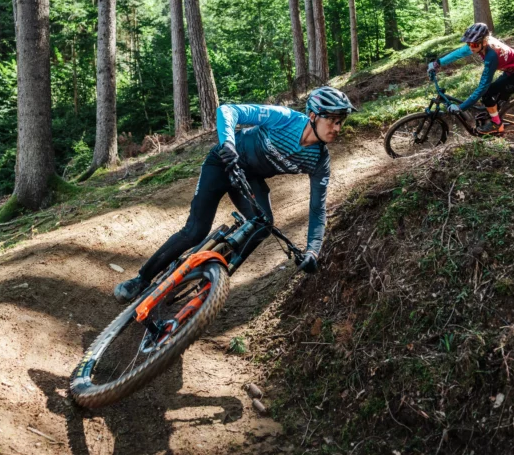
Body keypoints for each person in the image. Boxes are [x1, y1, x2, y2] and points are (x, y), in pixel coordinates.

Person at [113, 86, 356, 303]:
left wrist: (313, 250)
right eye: (332, 120)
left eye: (341, 122)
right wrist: (228, 144)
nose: (337, 128)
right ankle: (141, 279)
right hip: (223, 163)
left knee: (263, 225)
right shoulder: (285, 119)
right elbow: (228, 111)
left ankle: (213, 279)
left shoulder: (319, 160)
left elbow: (317, 208)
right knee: (195, 231)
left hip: (249, 178)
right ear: (313, 115)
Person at [427, 23, 514, 135]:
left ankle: (496, 124)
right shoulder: (480, 43)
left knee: (487, 93)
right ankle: (495, 114)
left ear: (484, 42)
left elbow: (483, 86)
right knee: (492, 96)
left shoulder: (491, 56)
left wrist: (461, 107)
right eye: (468, 43)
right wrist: (437, 63)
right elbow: (460, 52)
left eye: (473, 45)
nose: (471, 47)